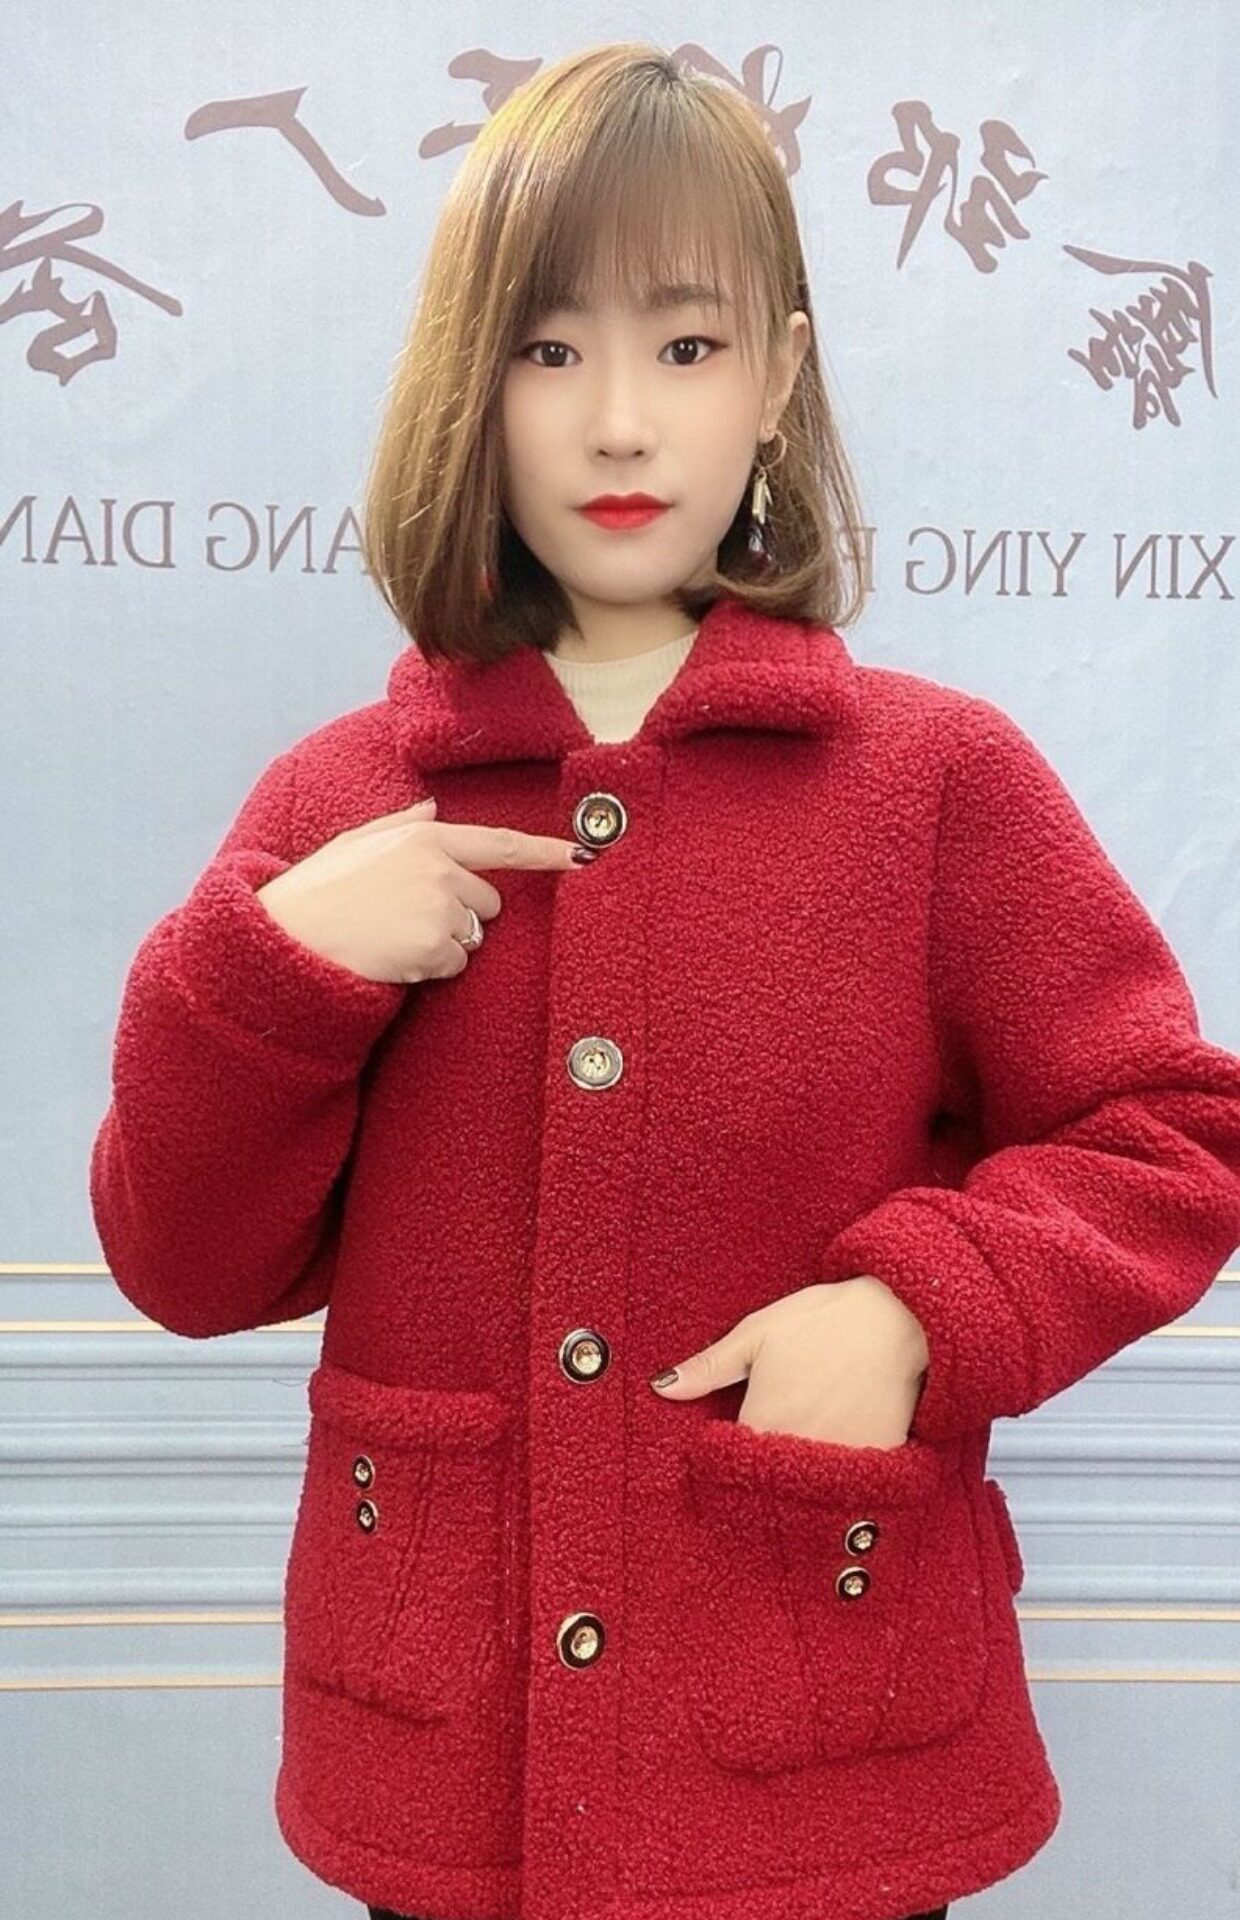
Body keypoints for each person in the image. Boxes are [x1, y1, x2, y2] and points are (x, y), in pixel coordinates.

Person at [88, 40, 1240, 1920]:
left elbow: (1176, 1129)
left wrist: (921, 1309)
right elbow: (182, 1263)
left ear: (777, 378)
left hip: (824, 1737)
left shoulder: (936, 783)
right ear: (471, 384)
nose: (621, 424)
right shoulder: (341, 804)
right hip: (444, 1753)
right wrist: (279, 967)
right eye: (549, 351)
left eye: (686, 347)